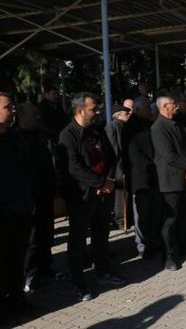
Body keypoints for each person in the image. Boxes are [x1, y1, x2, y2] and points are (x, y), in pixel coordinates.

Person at [56, 93, 124, 302]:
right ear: (79, 111)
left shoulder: (96, 130)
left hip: (102, 193)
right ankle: (78, 282)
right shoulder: (68, 135)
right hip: (81, 196)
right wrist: (98, 183)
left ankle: (103, 271)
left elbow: (110, 156)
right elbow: (73, 167)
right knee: (77, 239)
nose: (97, 112)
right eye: (93, 109)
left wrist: (108, 181)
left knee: (101, 234)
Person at [151, 96, 186, 271]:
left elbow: (185, 148)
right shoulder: (158, 128)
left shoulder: (176, 123)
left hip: (184, 177)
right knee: (170, 220)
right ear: (165, 107)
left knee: (184, 216)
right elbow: (169, 155)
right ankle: (169, 257)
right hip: (170, 180)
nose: (177, 107)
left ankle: (184, 248)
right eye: (174, 105)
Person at [0, 93, 34, 322]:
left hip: (20, 208)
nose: (13, 110)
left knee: (17, 259)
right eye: (7, 106)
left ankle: (17, 299)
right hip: (2, 212)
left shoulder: (15, 136)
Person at [17, 103, 56, 293]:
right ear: (23, 116)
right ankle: (29, 274)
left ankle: (46, 269)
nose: (38, 118)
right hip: (29, 197)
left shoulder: (42, 136)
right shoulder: (17, 138)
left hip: (46, 193)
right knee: (32, 239)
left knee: (47, 234)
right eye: (34, 115)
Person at [127, 96, 160, 260]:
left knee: (152, 213)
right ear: (139, 109)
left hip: (151, 176)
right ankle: (143, 246)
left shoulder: (147, 125)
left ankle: (152, 242)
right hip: (140, 178)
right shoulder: (132, 128)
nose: (151, 110)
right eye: (148, 108)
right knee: (141, 214)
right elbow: (135, 156)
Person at [105, 105, 132, 230]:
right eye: (126, 113)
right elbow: (114, 147)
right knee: (121, 194)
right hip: (119, 166)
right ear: (119, 115)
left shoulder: (126, 126)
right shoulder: (113, 126)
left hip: (127, 163)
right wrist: (120, 164)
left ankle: (127, 218)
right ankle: (120, 220)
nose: (129, 115)